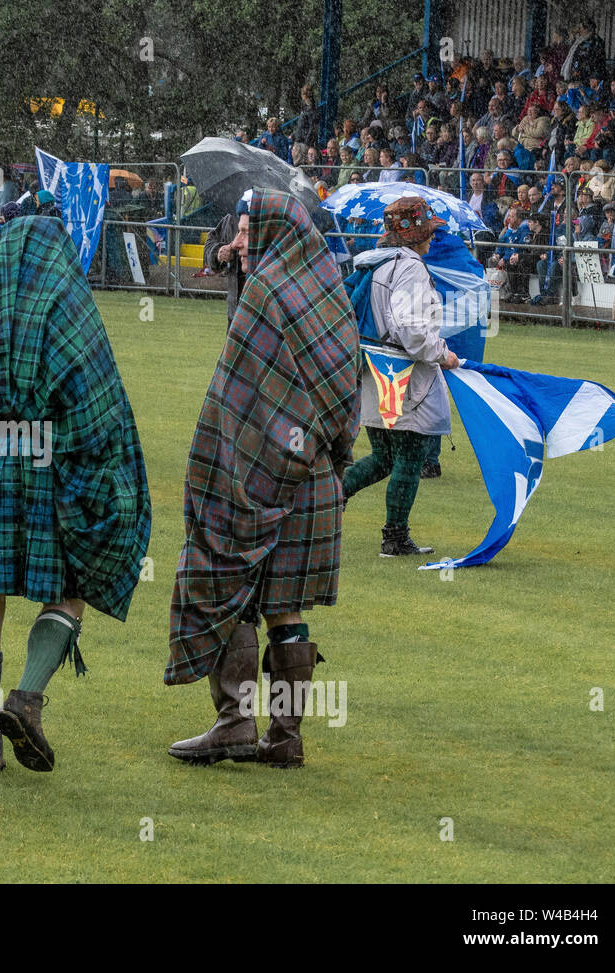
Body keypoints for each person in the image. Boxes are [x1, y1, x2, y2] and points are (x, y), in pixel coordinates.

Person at [0, 216, 150, 775]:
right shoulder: (65, 295)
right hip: (40, 472)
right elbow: (93, 401)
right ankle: (27, 697)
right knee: (69, 588)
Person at [167, 190, 359, 770]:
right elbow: (345, 394)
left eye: (251, 231)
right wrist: (324, 455)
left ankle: (234, 724)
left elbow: (241, 397)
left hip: (256, 477)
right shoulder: (328, 290)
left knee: (230, 587)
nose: (242, 242)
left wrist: (235, 460)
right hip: (315, 478)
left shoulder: (265, 292)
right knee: (286, 606)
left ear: (276, 231)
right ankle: (285, 737)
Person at [341, 196, 460, 556]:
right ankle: (394, 538)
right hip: (402, 375)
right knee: (409, 456)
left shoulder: (374, 262)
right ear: (417, 234)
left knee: (384, 457)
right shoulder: (410, 268)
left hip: (371, 369)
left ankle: (324, 502)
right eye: (429, 231)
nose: (432, 239)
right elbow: (410, 330)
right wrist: (442, 354)